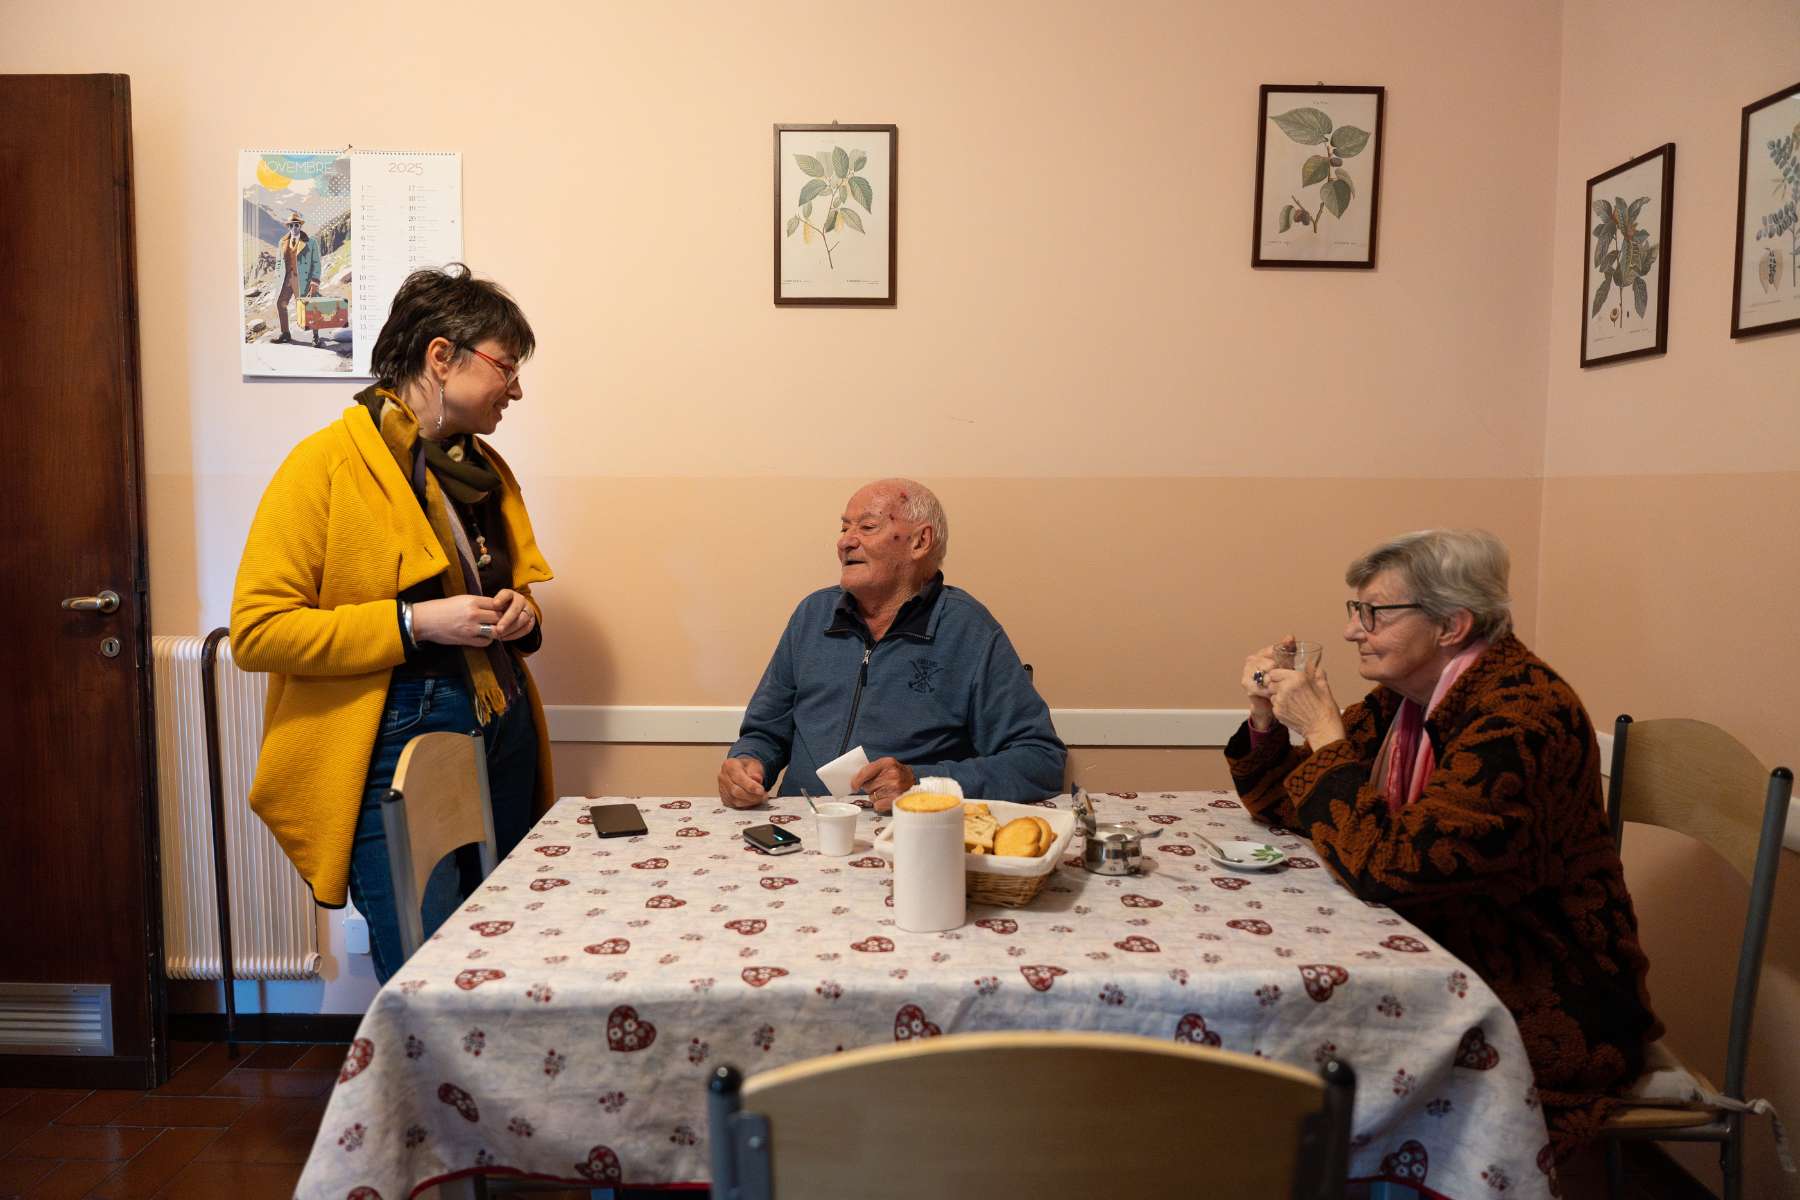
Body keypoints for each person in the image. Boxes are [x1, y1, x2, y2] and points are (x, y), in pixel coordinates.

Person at [1227, 528, 1660, 1153]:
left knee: (1284, 1049)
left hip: (1540, 997)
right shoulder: (1409, 700)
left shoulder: (1521, 716)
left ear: (1451, 625)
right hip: (1444, 954)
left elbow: (1389, 868)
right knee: (1279, 1034)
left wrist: (1325, 735)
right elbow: (1288, 805)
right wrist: (1266, 716)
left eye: (1373, 612)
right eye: (1355, 611)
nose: (1353, 630)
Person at [232, 263, 553, 982]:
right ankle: (425, 1096)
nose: (518, 389)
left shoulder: (482, 472)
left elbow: (513, 596)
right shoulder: (323, 466)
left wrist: (519, 612)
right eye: (507, 367)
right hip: (397, 737)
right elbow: (258, 633)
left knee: (505, 945)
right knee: (426, 966)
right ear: (442, 356)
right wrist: (413, 624)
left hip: (499, 723)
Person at [719, 478, 1064, 811]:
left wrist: (921, 783)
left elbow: (1040, 759)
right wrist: (748, 761)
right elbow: (764, 732)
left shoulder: (968, 629)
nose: (845, 543)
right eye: (844, 528)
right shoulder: (813, 615)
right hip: (804, 829)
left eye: (867, 527)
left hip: (905, 834)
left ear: (919, 542)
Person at [273, 210, 322, 344]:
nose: (294, 228)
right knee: (280, 304)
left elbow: (316, 263)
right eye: (291, 225)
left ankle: (315, 336)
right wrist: (278, 274)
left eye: (296, 225)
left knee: (309, 306)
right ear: (288, 227)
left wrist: (314, 282)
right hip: (286, 280)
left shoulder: (311, 243)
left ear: (300, 226)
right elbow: (278, 261)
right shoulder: (282, 242)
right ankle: (285, 333)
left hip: (303, 281)